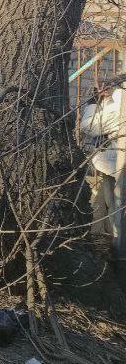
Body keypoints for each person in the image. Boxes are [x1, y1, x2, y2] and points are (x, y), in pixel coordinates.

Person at [78, 84, 124, 257]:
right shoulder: (115, 102)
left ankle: (118, 250)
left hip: (118, 164)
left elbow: (89, 126)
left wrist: (92, 103)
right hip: (114, 162)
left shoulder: (120, 104)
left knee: (115, 207)